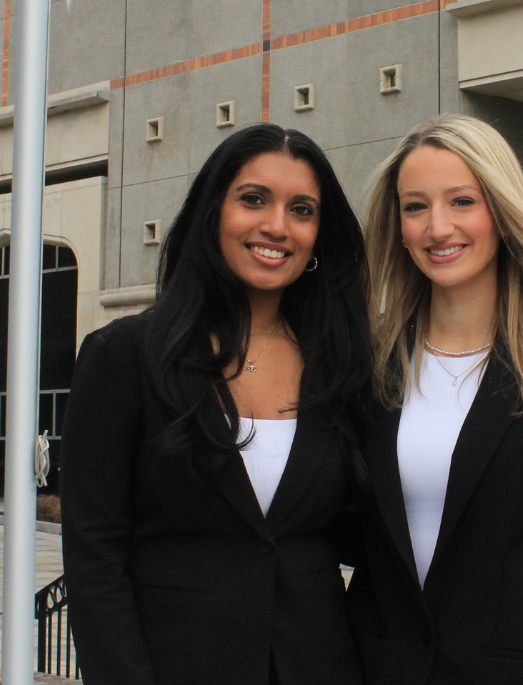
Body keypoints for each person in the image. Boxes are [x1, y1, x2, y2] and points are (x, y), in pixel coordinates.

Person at [61, 124, 372, 685]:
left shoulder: (344, 367)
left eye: (302, 210)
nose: (276, 226)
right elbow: (94, 557)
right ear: (213, 213)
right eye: (253, 199)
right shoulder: (123, 357)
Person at [346, 115, 523, 685]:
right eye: (416, 206)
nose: (438, 227)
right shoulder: (370, 363)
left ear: (502, 212)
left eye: (462, 201)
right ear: (397, 223)